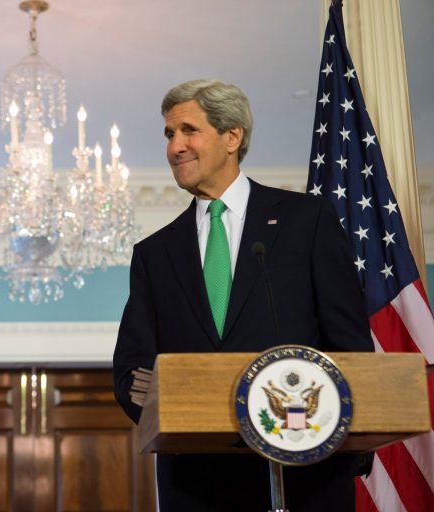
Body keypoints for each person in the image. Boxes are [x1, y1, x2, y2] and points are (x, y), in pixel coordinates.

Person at [113, 80, 373, 511]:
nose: (175, 147)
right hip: (196, 483)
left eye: (188, 130)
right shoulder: (154, 254)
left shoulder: (306, 221)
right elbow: (132, 370)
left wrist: (338, 438)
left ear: (232, 136)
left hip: (304, 474)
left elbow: (349, 349)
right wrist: (175, 418)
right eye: (169, 134)